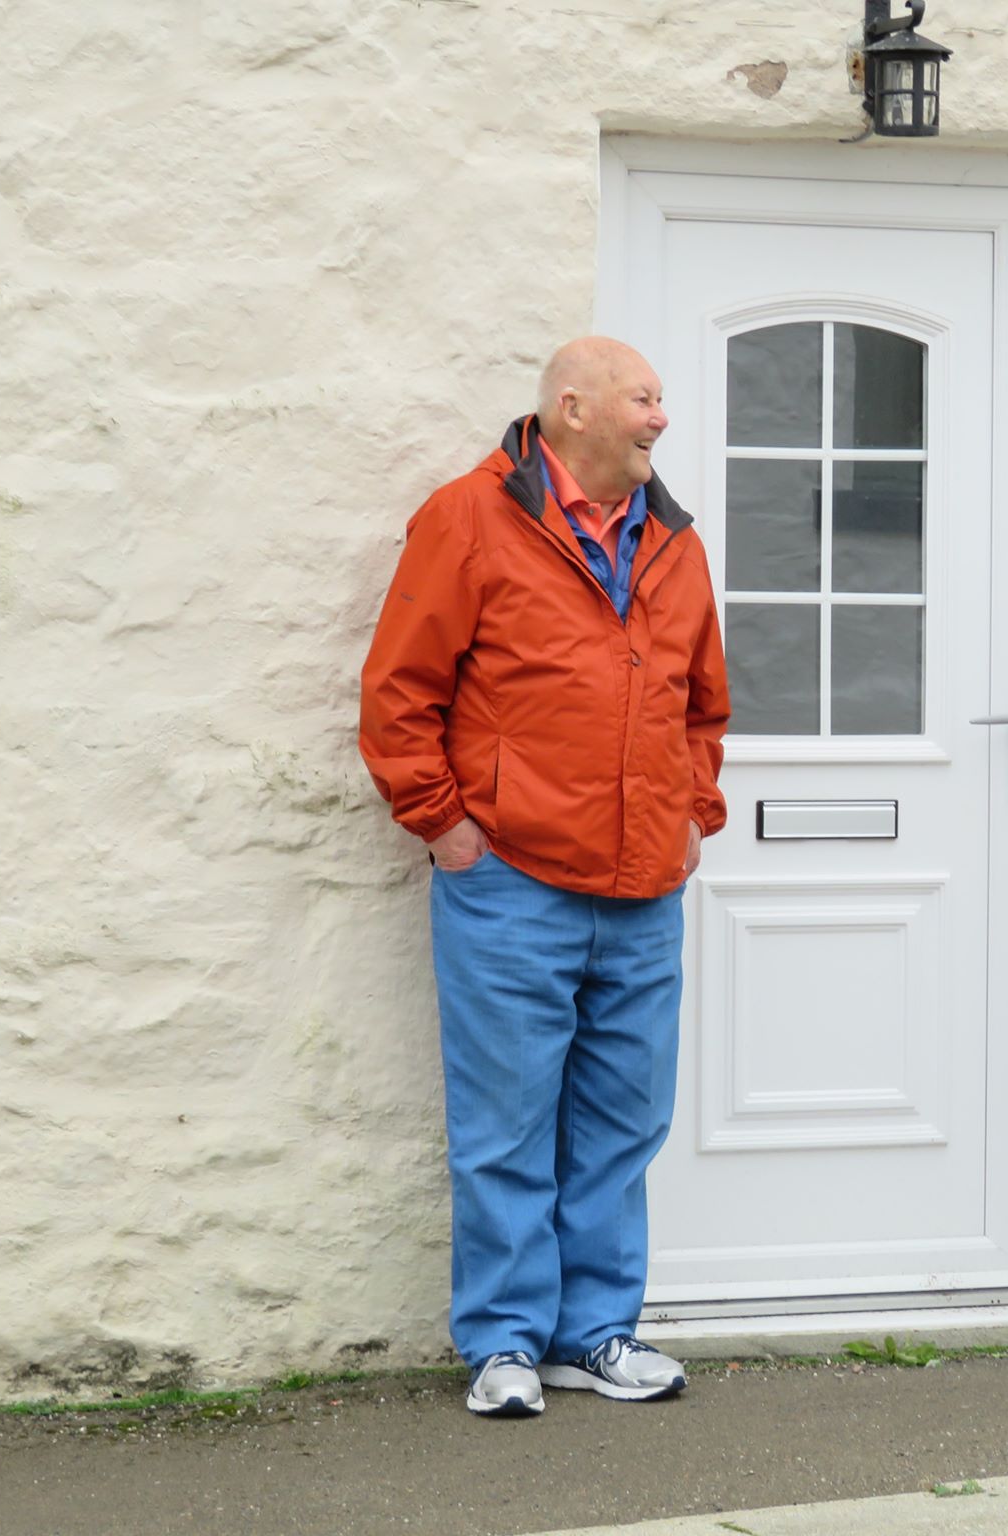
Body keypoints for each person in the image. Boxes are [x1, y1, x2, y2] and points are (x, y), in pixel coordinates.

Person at [359, 337, 730, 1415]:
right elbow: (399, 692)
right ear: (571, 408)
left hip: (643, 882)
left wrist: (691, 811)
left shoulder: (670, 537)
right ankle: (505, 1343)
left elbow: (703, 700)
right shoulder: (469, 519)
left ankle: (595, 1333)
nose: (661, 420)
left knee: (621, 1125)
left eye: (660, 401)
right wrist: (444, 826)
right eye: (642, 400)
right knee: (506, 1125)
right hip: (510, 879)